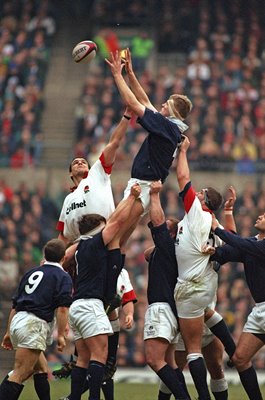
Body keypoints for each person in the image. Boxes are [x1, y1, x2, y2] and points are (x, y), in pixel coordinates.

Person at [105, 49, 193, 242]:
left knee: (111, 231)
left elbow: (132, 103)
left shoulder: (167, 127)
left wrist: (117, 75)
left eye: (167, 103)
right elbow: (144, 100)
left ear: (173, 111)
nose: (162, 104)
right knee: (119, 236)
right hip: (144, 185)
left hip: (143, 186)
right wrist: (131, 74)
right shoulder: (171, 128)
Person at [64, 183, 141, 400]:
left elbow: (121, 227)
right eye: (103, 225)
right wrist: (131, 197)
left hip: (78, 306)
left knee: (83, 359)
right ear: (98, 229)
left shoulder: (81, 247)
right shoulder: (94, 243)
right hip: (91, 304)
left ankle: (75, 397)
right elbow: (117, 222)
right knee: (101, 355)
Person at [174, 135, 223, 400]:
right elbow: (232, 240)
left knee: (189, 351)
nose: (197, 192)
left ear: (204, 200)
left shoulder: (197, 212)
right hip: (206, 291)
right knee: (214, 361)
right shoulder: (214, 223)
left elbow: (183, 178)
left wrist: (183, 151)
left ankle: (202, 397)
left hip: (190, 287)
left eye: (201, 193)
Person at [0, 239, 73, 400]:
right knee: (20, 373)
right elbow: (62, 308)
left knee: (41, 369)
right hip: (33, 324)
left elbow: (15, 305)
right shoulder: (62, 276)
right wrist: (61, 335)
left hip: (18, 320)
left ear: (44, 255)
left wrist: (8, 332)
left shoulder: (31, 272)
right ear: (63, 258)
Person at [57, 267, 137, 400]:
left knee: (106, 366)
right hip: (90, 316)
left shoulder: (122, 272)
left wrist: (129, 314)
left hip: (111, 322)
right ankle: (75, 397)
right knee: (90, 360)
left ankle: (73, 397)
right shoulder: (93, 265)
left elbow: (127, 297)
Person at [208, 211, 265, 400]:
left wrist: (217, 228)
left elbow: (239, 243)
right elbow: (232, 250)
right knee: (240, 359)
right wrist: (214, 252)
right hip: (260, 310)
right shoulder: (254, 243)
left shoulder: (258, 246)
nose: (260, 215)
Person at [56, 107, 133, 244]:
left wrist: (126, 117)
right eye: (75, 163)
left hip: (105, 239)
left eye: (83, 162)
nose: (80, 162)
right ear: (70, 173)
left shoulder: (97, 173)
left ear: (90, 168)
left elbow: (114, 143)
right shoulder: (68, 199)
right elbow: (63, 236)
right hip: (79, 247)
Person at [144, 181, 190, 400]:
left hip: (161, 307)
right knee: (170, 364)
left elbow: (158, 221)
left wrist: (154, 195)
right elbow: (146, 253)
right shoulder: (168, 251)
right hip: (170, 310)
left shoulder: (168, 246)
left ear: (171, 234)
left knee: (154, 359)